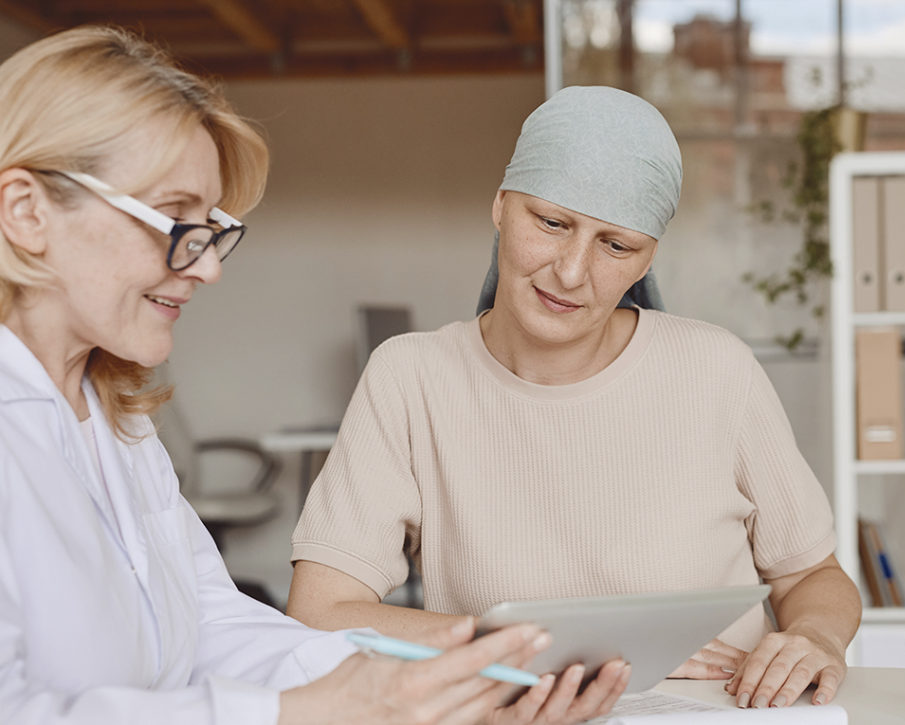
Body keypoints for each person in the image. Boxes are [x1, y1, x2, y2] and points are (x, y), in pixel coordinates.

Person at [0, 25, 582, 725]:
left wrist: (435, 683)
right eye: (173, 220)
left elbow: (211, 623)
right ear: (26, 211)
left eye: (212, 230)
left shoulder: (114, 420)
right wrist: (298, 711)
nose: (209, 266)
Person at [287, 85, 862, 711]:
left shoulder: (717, 368)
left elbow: (810, 575)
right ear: (502, 207)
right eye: (552, 223)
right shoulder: (409, 377)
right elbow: (321, 612)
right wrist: (556, 651)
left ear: (646, 262)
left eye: (616, 245)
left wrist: (814, 635)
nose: (571, 272)